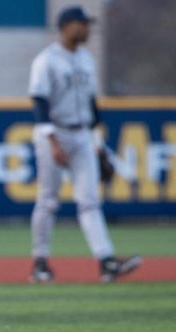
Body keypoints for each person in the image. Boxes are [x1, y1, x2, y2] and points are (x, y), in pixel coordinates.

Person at [28, 5, 141, 283]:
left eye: (88, 24)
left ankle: (106, 262)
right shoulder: (47, 60)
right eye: (82, 23)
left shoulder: (87, 59)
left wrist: (99, 145)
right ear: (66, 26)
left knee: (90, 202)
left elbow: (92, 107)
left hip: (82, 135)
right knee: (47, 200)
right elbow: (39, 102)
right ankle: (39, 262)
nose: (87, 28)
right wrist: (53, 142)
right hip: (53, 133)